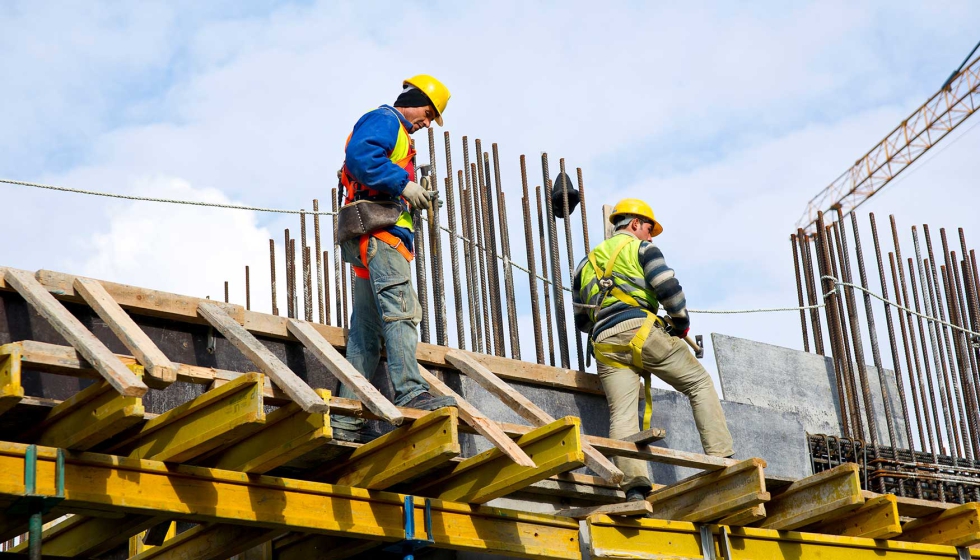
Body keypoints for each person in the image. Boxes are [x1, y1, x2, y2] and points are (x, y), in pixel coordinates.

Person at [572, 198, 734, 501]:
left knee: (622, 414)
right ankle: (722, 459)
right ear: (634, 224)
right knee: (699, 383)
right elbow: (668, 289)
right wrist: (681, 324)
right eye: (648, 229)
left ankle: (634, 487)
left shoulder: (584, 264)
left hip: (605, 343)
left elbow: (582, 320)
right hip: (642, 332)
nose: (650, 235)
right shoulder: (642, 249)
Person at [331, 75, 456, 443]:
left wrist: (410, 192)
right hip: (381, 238)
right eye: (429, 113)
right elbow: (361, 157)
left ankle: (347, 417)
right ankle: (411, 391)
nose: (428, 122)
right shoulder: (386, 120)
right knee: (402, 312)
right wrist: (403, 185)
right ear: (413, 99)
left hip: (370, 239)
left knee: (366, 334)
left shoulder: (399, 134)